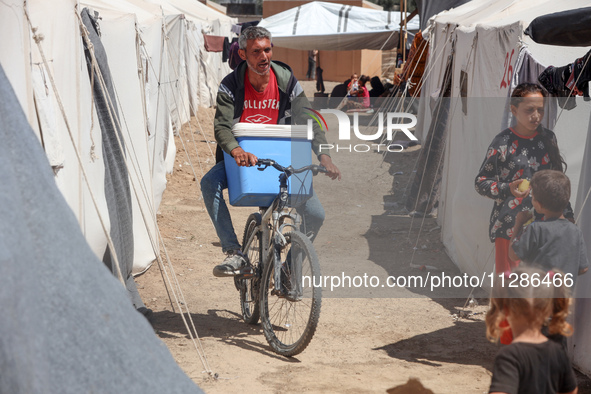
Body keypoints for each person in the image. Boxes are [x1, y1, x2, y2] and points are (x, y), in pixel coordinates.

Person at [200, 26, 341, 278]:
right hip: (241, 160)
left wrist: (324, 155)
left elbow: (309, 119)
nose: (264, 56)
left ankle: (288, 269)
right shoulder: (230, 85)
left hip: (281, 157)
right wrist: (235, 149)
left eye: (267, 49)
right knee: (209, 182)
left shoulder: (287, 81)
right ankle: (235, 252)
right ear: (243, 54)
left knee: (316, 215)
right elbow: (221, 126)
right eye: (256, 52)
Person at [475, 83, 572, 275]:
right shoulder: (502, 142)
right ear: (514, 110)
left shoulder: (548, 139)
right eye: (529, 110)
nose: (536, 116)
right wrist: (507, 188)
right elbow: (480, 182)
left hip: (544, 227)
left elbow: (559, 183)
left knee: (542, 288)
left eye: (540, 110)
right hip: (510, 227)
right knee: (511, 289)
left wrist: (568, 217)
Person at [486, 266, 578, 394]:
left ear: (505, 310)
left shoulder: (509, 356)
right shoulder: (559, 352)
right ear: (548, 310)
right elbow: (571, 390)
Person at [509, 170, 589, 284]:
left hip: (537, 296)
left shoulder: (536, 229)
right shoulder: (575, 230)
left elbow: (513, 255)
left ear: (538, 204)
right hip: (563, 297)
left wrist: (519, 223)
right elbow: (583, 268)